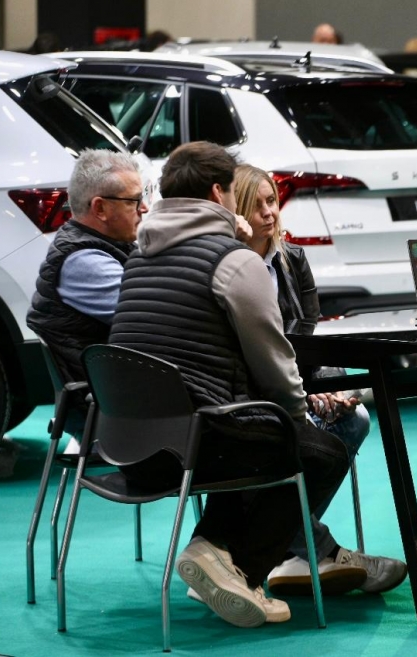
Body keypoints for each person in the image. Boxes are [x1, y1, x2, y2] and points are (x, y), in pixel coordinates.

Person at [109, 142, 349, 628]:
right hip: (199, 442)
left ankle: (213, 548)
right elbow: (275, 362)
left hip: (127, 445)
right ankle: (242, 571)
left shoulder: (137, 258)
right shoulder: (234, 262)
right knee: (316, 452)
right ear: (220, 194)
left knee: (259, 439)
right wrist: (297, 419)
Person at [232, 165, 407, 596]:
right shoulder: (229, 268)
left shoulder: (292, 259)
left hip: (293, 383)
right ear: (236, 212)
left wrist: (331, 384)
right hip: (256, 396)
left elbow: (308, 338)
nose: (269, 212)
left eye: (272, 201)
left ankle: (279, 551)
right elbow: (247, 356)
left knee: (355, 419)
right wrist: (304, 395)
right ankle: (299, 550)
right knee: (303, 436)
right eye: (256, 205)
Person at [27, 150, 147, 385]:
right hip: (113, 396)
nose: (144, 208)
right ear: (100, 208)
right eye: (133, 201)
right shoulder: (84, 261)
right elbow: (152, 317)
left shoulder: (106, 243)